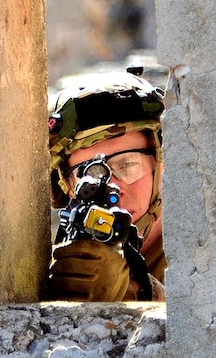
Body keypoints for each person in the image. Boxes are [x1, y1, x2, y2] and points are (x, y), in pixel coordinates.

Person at [47, 68, 165, 302]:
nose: (112, 187)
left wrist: (139, 292)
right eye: (87, 173)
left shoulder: (205, 252)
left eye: (127, 164)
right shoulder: (59, 266)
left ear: (162, 165)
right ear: (67, 186)